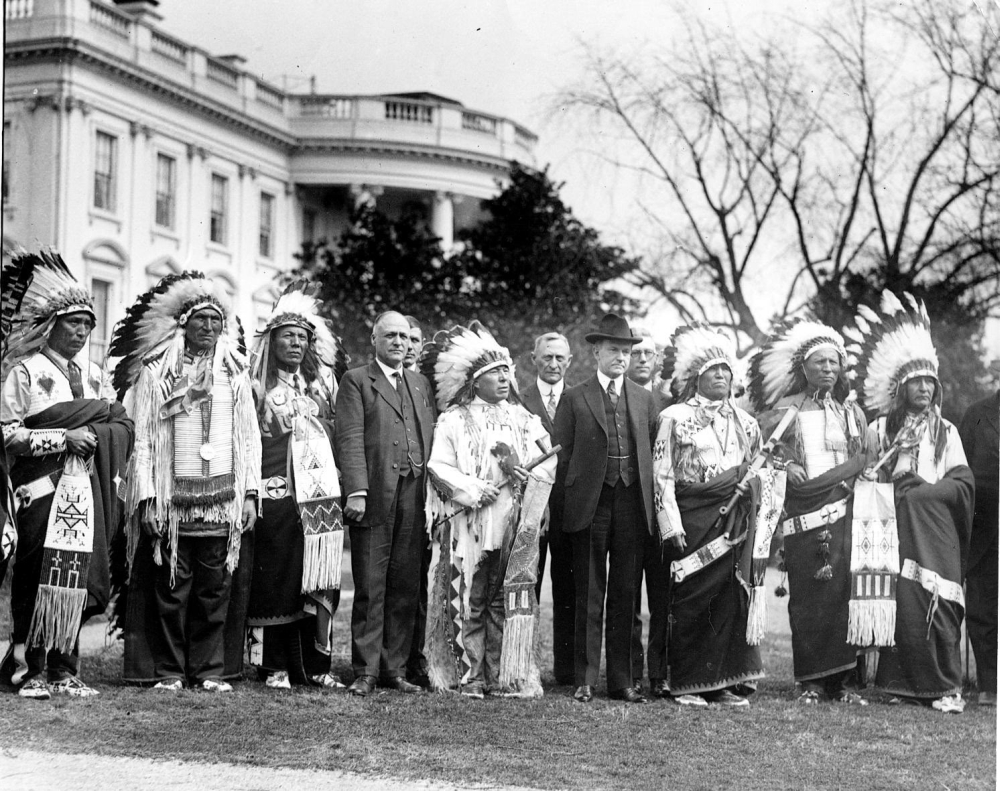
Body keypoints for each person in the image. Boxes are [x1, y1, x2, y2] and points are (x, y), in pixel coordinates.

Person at [115, 272, 261, 692]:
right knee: (172, 588)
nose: (211, 328)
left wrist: (250, 495)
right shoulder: (158, 372)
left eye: (217, 321)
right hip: (171, 499)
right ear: (184, 323)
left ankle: (210, 670)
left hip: (223, 498)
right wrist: (146, 499)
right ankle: (169, 671)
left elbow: (248, 438)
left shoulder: (234, 372)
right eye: (202, 320)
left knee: (215, 588)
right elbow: (143, 438)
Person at [0, 251, 133, 700]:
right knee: (37, 571)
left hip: (87, 487)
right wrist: (63, 438)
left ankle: (63, 668)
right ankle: (26, 667)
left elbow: (120, 424)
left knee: (75, 573)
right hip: (40, 487)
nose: (81, 331)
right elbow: (6, 434)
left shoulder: (97, 377)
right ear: (52, 323)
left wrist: (93, 432)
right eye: (74, 322)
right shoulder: (27, 372)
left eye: (88, 324)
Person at [848, 293, 975, 713]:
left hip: (935, 529)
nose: (924, 388)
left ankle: (944, 686)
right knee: (901, 601)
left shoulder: (947, 432)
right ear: (901, 388)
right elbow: (870, 475)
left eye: (929, 382)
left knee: (940, 602)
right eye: (916, 382)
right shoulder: (880, 429)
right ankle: (904, 685)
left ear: (937, 387)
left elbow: (961, 483)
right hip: (892, 529)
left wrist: (921, 491)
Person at [421, 323, 557, 697]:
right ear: (474, 380)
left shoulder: (522, 418)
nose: (504, 378)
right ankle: (470, 675)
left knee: (506, 600)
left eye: (505, 372)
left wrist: (526, 471)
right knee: (468, 599)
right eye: (494, 373)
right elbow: (438, 467)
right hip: (470, 525)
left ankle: (506, 675)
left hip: (514, 524)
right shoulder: (453, 419)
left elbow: (547, 462)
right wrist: (473, 488)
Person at [654, 324, 783, 707]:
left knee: (729, 599)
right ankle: (689, 684)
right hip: (693, 518)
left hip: (734, 522)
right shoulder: (674, 417)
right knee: (693, 599)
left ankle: (723, 682)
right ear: (696, 377)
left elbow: (761, 469)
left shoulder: (746, 423)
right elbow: (661, 474)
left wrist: (752, 483)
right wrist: (670, 524)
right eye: (713, 370)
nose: (722, 376)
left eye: (727, 370)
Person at [748, 318, 875, 705]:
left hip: (847, 516)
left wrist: (860, 472)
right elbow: (762, 456)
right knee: (809, 597)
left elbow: (864, 460)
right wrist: (787, 467)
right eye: (820, 363)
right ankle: (812, 681)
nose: (828, 369)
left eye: (834, 363)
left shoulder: (852, 414)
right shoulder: (784, 411)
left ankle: (844, 683)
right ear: (802, 367)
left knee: (845, 596)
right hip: (806, 517)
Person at [246, 282, 349, 689]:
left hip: (318, 497)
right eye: (288, 336)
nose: (296, 343)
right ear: (271, 340)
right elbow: (248, 439)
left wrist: (313, 427)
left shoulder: (321, 387)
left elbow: (338, 431)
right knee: (277, 577)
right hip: (276, 493)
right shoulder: (256, 387)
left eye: (303, 338)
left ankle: (315, 667)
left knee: (318, 578)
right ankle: (272, 665)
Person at [553, 313, 657, 704]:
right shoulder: (575, 396)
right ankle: (584, 679)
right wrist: (567, 510)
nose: (622, 357)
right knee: (589, 591)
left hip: (631, 503)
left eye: (627, 351)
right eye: (614, 349)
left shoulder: (645, 399)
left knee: (626, 594)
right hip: (591, 506)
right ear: (596, 352)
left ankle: (622, 681)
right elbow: (561, 458)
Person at [335, 310, 435, 696]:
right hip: (375, 495)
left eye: (404, 337)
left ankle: (394, 668)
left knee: (405, 584)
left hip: (415, 494)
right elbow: (349, 438)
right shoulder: (357, 380)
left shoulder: (419, 382)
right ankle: (366, 670)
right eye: (390, 336)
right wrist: (356, 490)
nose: (398, 342)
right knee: (371, 585)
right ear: (374, 340)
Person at [519, 331, 575, 685]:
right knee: (526, 584)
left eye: (560, 358)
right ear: (533, 360)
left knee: (569, 586)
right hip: (529, 508)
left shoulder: (581, 398)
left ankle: (567, 670)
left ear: (569, 361)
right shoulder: (517, 399)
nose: (553, 364)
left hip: (571, 507)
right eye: (546, 358)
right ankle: (524, 664)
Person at [626, 327, 668, 694]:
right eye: (635, 352)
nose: (641, 359)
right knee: (627, 597)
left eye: (648, 354)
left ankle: (660, 674)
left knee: (663, 596)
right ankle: (629, 673)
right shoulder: (618, 399)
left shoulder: (670, 402)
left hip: (666, 513)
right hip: (629, 511)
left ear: (657, 360)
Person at [959, 374, 999, 707]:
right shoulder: (976, 414)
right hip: (985, 529)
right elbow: (961, 472)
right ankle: (989, 684)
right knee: (984, 608)